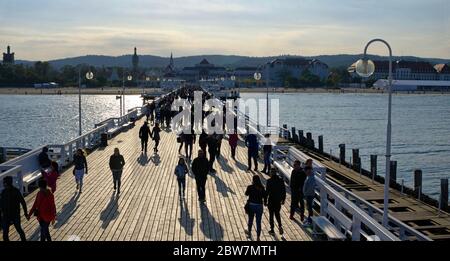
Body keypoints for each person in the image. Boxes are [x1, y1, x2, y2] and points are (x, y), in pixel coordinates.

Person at [0, 176, 28, 241]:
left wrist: (25, 213)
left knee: (19, 229)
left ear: (8, 183)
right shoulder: (3, 192)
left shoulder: (16, 191)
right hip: (6, 215)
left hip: (15, 215)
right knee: (5, 234)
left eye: (4, 183)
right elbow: (1, 204)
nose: (3, 184)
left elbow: (23, 203)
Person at [245, 175, 266, 241]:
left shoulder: (250, 187)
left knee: (250, 220)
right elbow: (264, 196)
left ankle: (249, 232)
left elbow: (246, 194)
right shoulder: (262, 188)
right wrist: (265, 202)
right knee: (258, 222)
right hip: (259, 206)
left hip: (251, 205)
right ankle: (258, 237)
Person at [265, 168, 286, 235]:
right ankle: (280, 226)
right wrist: (283, 199)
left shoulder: (269, 181)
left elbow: (267, 192)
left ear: (271, 173)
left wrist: (265, 201)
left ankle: (272, 230)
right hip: (278, 200)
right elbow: (284, 191)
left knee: (271, 215)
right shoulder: (281, 180)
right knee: (277, 214)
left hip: (271, 201)